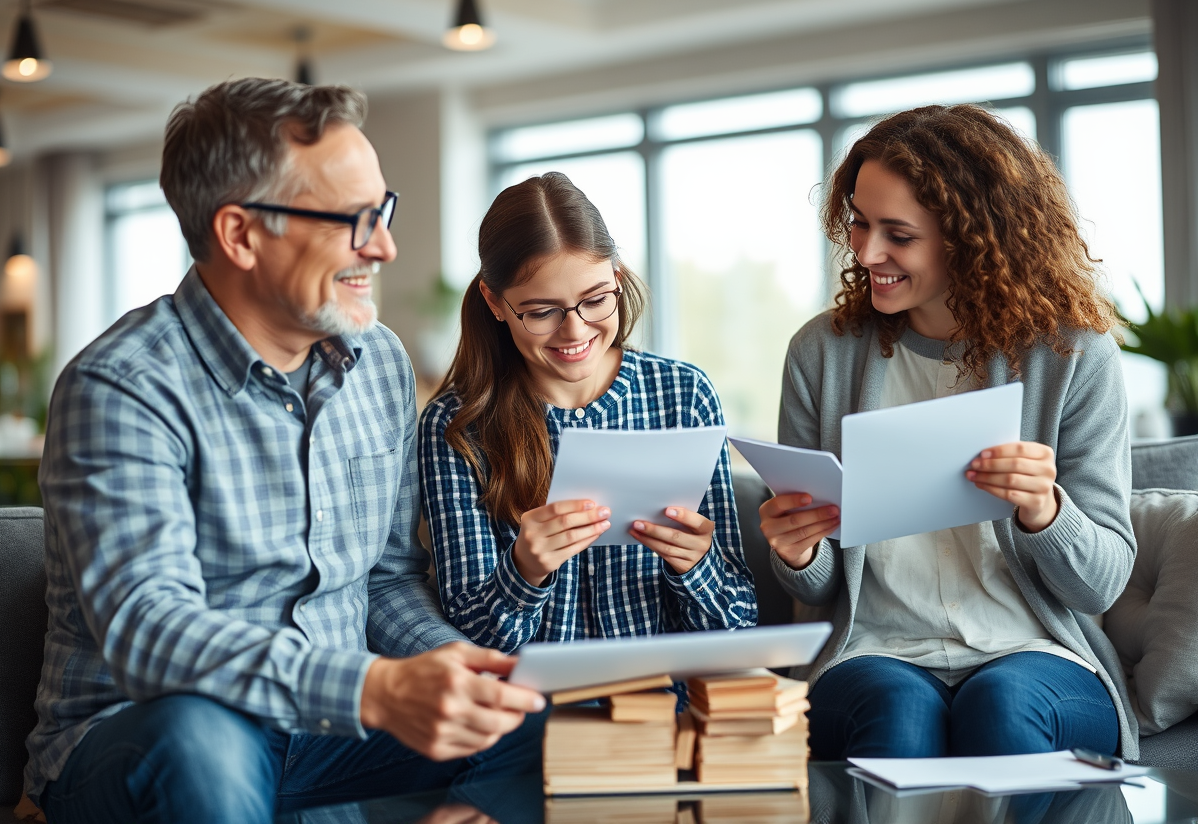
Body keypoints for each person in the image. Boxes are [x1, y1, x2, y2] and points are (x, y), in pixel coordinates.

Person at [25, 78, 546, 824]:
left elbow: (388, 580)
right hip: (152, 737)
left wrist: (461, 667)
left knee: (537, 707)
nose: (384, 245)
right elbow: (149, 626)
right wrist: (372, 690)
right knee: (204, 738)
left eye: (383, 211)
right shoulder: (122, 386)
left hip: (320, 733)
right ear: (240, 234)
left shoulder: (381, 364)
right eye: (353, 220)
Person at [760, 104, 1138, 762]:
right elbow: (816, 588)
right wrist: (797, 552)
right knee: (897, 709)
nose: (866, 251)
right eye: (858, 221)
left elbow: (1098, 586)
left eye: (897, 234)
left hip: (1037, 653)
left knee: (1000, 707)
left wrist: (1045, 513)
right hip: (871, 649)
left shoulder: (1073, 353)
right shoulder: (822, 354)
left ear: (970, 237)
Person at [418, 172, 757, 654]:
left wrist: (696, 565)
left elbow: (738, 627)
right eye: (541, 311)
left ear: (617, 277)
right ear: (495, 303)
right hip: (529, 713)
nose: (575, 331)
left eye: (596, 299)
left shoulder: (683, 394)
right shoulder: (456, 427)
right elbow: (470, 645)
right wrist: (525, 570)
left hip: (661, 698)